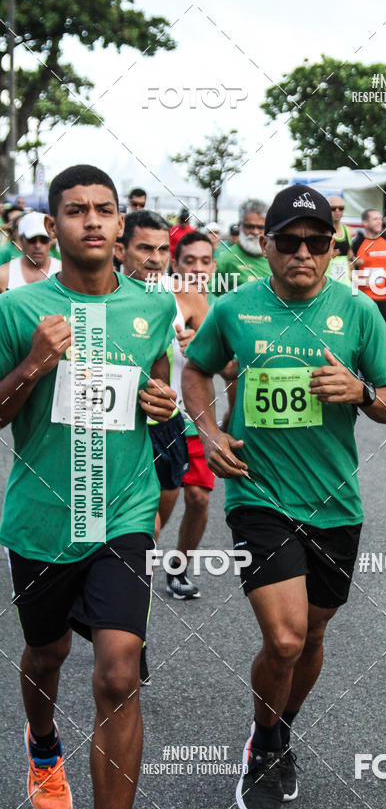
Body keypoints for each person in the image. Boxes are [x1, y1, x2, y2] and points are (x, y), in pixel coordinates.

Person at [182, 183, 386, 809]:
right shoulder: (236, 310)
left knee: (311, 636)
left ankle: (279, 728)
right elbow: (196, 369)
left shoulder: (358, 313)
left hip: (336, 503)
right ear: (267, 244)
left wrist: (362, 392)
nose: (304, 253)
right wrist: (208, 431)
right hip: (258, 493)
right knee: (282, 639)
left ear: (331, 247)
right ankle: (265, 745)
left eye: (317, 243)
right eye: (289, 241)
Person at [0, 164, 177, 809]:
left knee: (117, 671)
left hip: (123, 512)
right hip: (44, 517)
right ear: (53, 226)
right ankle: (43, 745)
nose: (94, 221)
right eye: (77, 211)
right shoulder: (18, 312)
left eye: (106, 209)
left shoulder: (153, 308)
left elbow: (156, 383)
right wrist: (34, 365)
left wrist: (163, 403)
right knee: (47, 654)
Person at [115, 210, 199, 601]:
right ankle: (118, 608)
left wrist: (164, 394)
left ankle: (128, 593)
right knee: (136, 525)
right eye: (144, 248)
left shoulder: (169, 300)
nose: (155, 258)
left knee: (156, 523)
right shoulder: (96, 297)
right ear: (120, 249)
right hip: (114, 431)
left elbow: (167, 366)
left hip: (165, 428)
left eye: (163, 249)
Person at [170, 231, 216, 585]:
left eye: (205, 261)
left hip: (197, 419)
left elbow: (232, 366)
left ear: (214, 267)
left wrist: (201, 349)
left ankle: (179, 567)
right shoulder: (159, 297)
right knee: (153, 509)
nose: (198, 268)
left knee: (199, 499)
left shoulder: (219, 307)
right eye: (189, 261)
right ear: (176, 263)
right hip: (158, 420)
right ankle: (132, 579)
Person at [352, 208, 386, 329]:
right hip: (362, 297)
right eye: (375, 219)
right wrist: (359, 281)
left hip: (381, 296)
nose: (379, 222)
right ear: (365, 223)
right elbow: (348, 269)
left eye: (380, 219)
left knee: (385, 329)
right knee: (362, 330)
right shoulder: (357, 244)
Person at [213, 198, 270, 295]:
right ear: (240, 226)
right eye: (250, 227)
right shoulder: (226, 260)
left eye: (260, 227)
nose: (255, 232)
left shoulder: (277, 258)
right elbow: (213, 297)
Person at [0, 212, 61, 292]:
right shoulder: (3, 275)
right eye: (32, 240)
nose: (38, 245)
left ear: (50, 241)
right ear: (21, 240)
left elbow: (79, 303)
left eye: (43, 240)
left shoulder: (64, 272)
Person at [325, 196, 354, 285]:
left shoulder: (349, 231)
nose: (337, 211)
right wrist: (327, 255)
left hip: (345, 283)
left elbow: (349, 254)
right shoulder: (322, 231)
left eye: (341, 208)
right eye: (333, 209)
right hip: (328, 282)